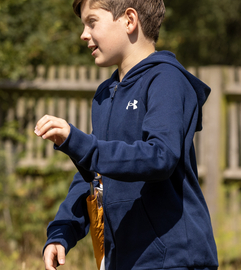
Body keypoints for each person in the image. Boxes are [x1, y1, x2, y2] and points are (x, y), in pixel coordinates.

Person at [34, 0, 219, 269]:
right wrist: (62, 231)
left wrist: (81, 144)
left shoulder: (166, 80)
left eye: (92, 22)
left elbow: (160, 156)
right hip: (125, 259)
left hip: (175, 259)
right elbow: (95, 175)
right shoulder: (104, 95)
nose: (83, 34)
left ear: (129, 20)